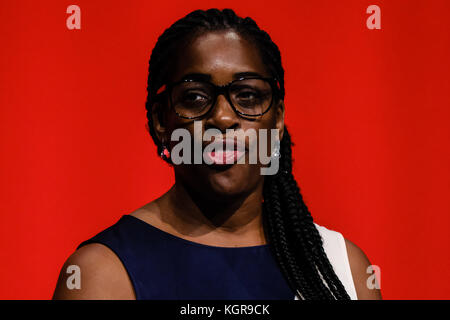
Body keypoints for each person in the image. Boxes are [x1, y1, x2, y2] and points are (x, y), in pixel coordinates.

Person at [52, 8, 381, 300]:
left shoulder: (343, 269)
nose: (223, 118)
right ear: (160, 121)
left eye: (247, 95)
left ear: (277, 119)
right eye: (195, 97)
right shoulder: (101, 275)